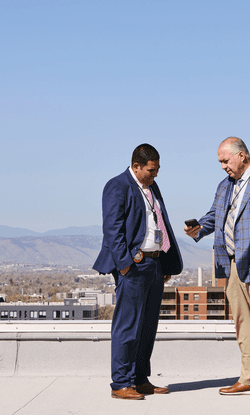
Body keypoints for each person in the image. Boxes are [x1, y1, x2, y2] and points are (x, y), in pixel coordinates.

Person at [184, 137, 250, 401]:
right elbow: (216, 216)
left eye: (225, 161)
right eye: (220, 162)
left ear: (242, 155)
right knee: (242, 323)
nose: (223, 167)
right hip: (232, 263)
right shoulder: (225, 186)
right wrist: (199, 227)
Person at [93, 143, 183, 400]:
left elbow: (160, 223)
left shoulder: (151, 187)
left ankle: (140, 379)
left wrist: (164, 263)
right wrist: (125, 264)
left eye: (157, 170)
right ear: (136, 166)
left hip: (154, 264)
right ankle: (121, 383)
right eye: (151, 170)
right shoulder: (117, 186)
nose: (155, 175)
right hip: (133, 266)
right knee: (128, 325)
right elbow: (113, 229)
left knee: (147, 326)